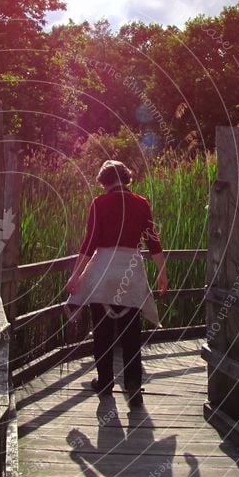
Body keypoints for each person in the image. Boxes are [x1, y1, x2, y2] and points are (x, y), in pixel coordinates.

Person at [65, 160, 168, 405]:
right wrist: (162, 273)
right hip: (130, 272)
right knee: (131, 332)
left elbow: (89, 243)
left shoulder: (99, 203)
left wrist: (76, 274)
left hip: (103, 272)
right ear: (126, 178)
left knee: (102, 332)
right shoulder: (141, 204)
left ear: (104, 181)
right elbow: (153, 241)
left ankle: (105, 383)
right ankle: (133, 386)